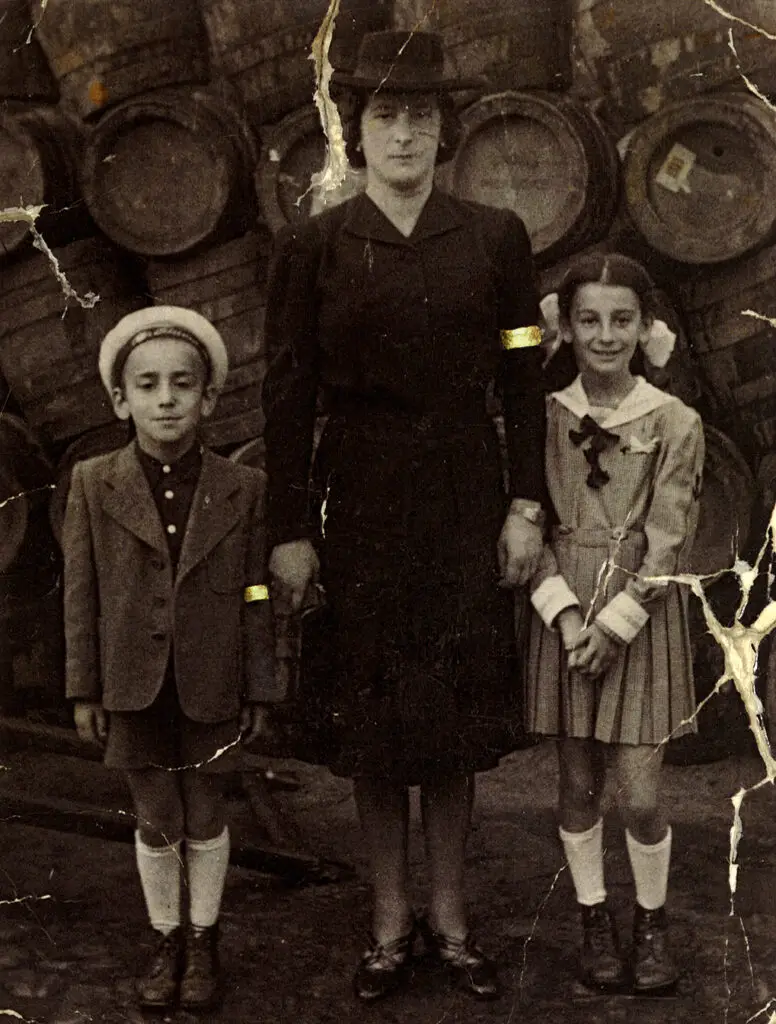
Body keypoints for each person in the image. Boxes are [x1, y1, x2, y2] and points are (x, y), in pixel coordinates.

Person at [262, 30, 548, 1003]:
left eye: (420, 115)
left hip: (466, 496)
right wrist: (290, 529)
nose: (403, 133)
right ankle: (388, 924)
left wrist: (523, 504)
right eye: (384, 115)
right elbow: (287, 396)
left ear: (445, 129)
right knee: (377, 725)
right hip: (360, 501)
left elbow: (521, 378)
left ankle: (452, 921)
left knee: (454, 721)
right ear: (355, 128)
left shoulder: (495, 239)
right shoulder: (312, 247)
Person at [62, 306, 278, 1012]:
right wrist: (84, 687)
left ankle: (204, 937)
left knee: (207, 806)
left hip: (212, 678)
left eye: (182, 384)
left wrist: (259, 684)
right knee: (156, 812)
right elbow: (82, 592)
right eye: (148, 385)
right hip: (132, 679)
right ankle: (167, 939)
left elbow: (254, 593)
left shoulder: (241, 488)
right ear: (120, 399)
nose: (165, 400)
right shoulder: (95, 482)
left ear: (208, 396)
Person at [526, 253, 705, 993]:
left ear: (644, 327)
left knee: (639, 794)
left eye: (621, 320)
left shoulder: (674, 420)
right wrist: (568, 619)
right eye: (589, 320)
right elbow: (525, 524)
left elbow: (670, 535)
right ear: (565, 327)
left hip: (640, 618)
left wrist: (616, 623)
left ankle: (651, 922)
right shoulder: (543, 417)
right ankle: (594, 916)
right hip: (562, 610)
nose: (605, 336)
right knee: (575, 786)